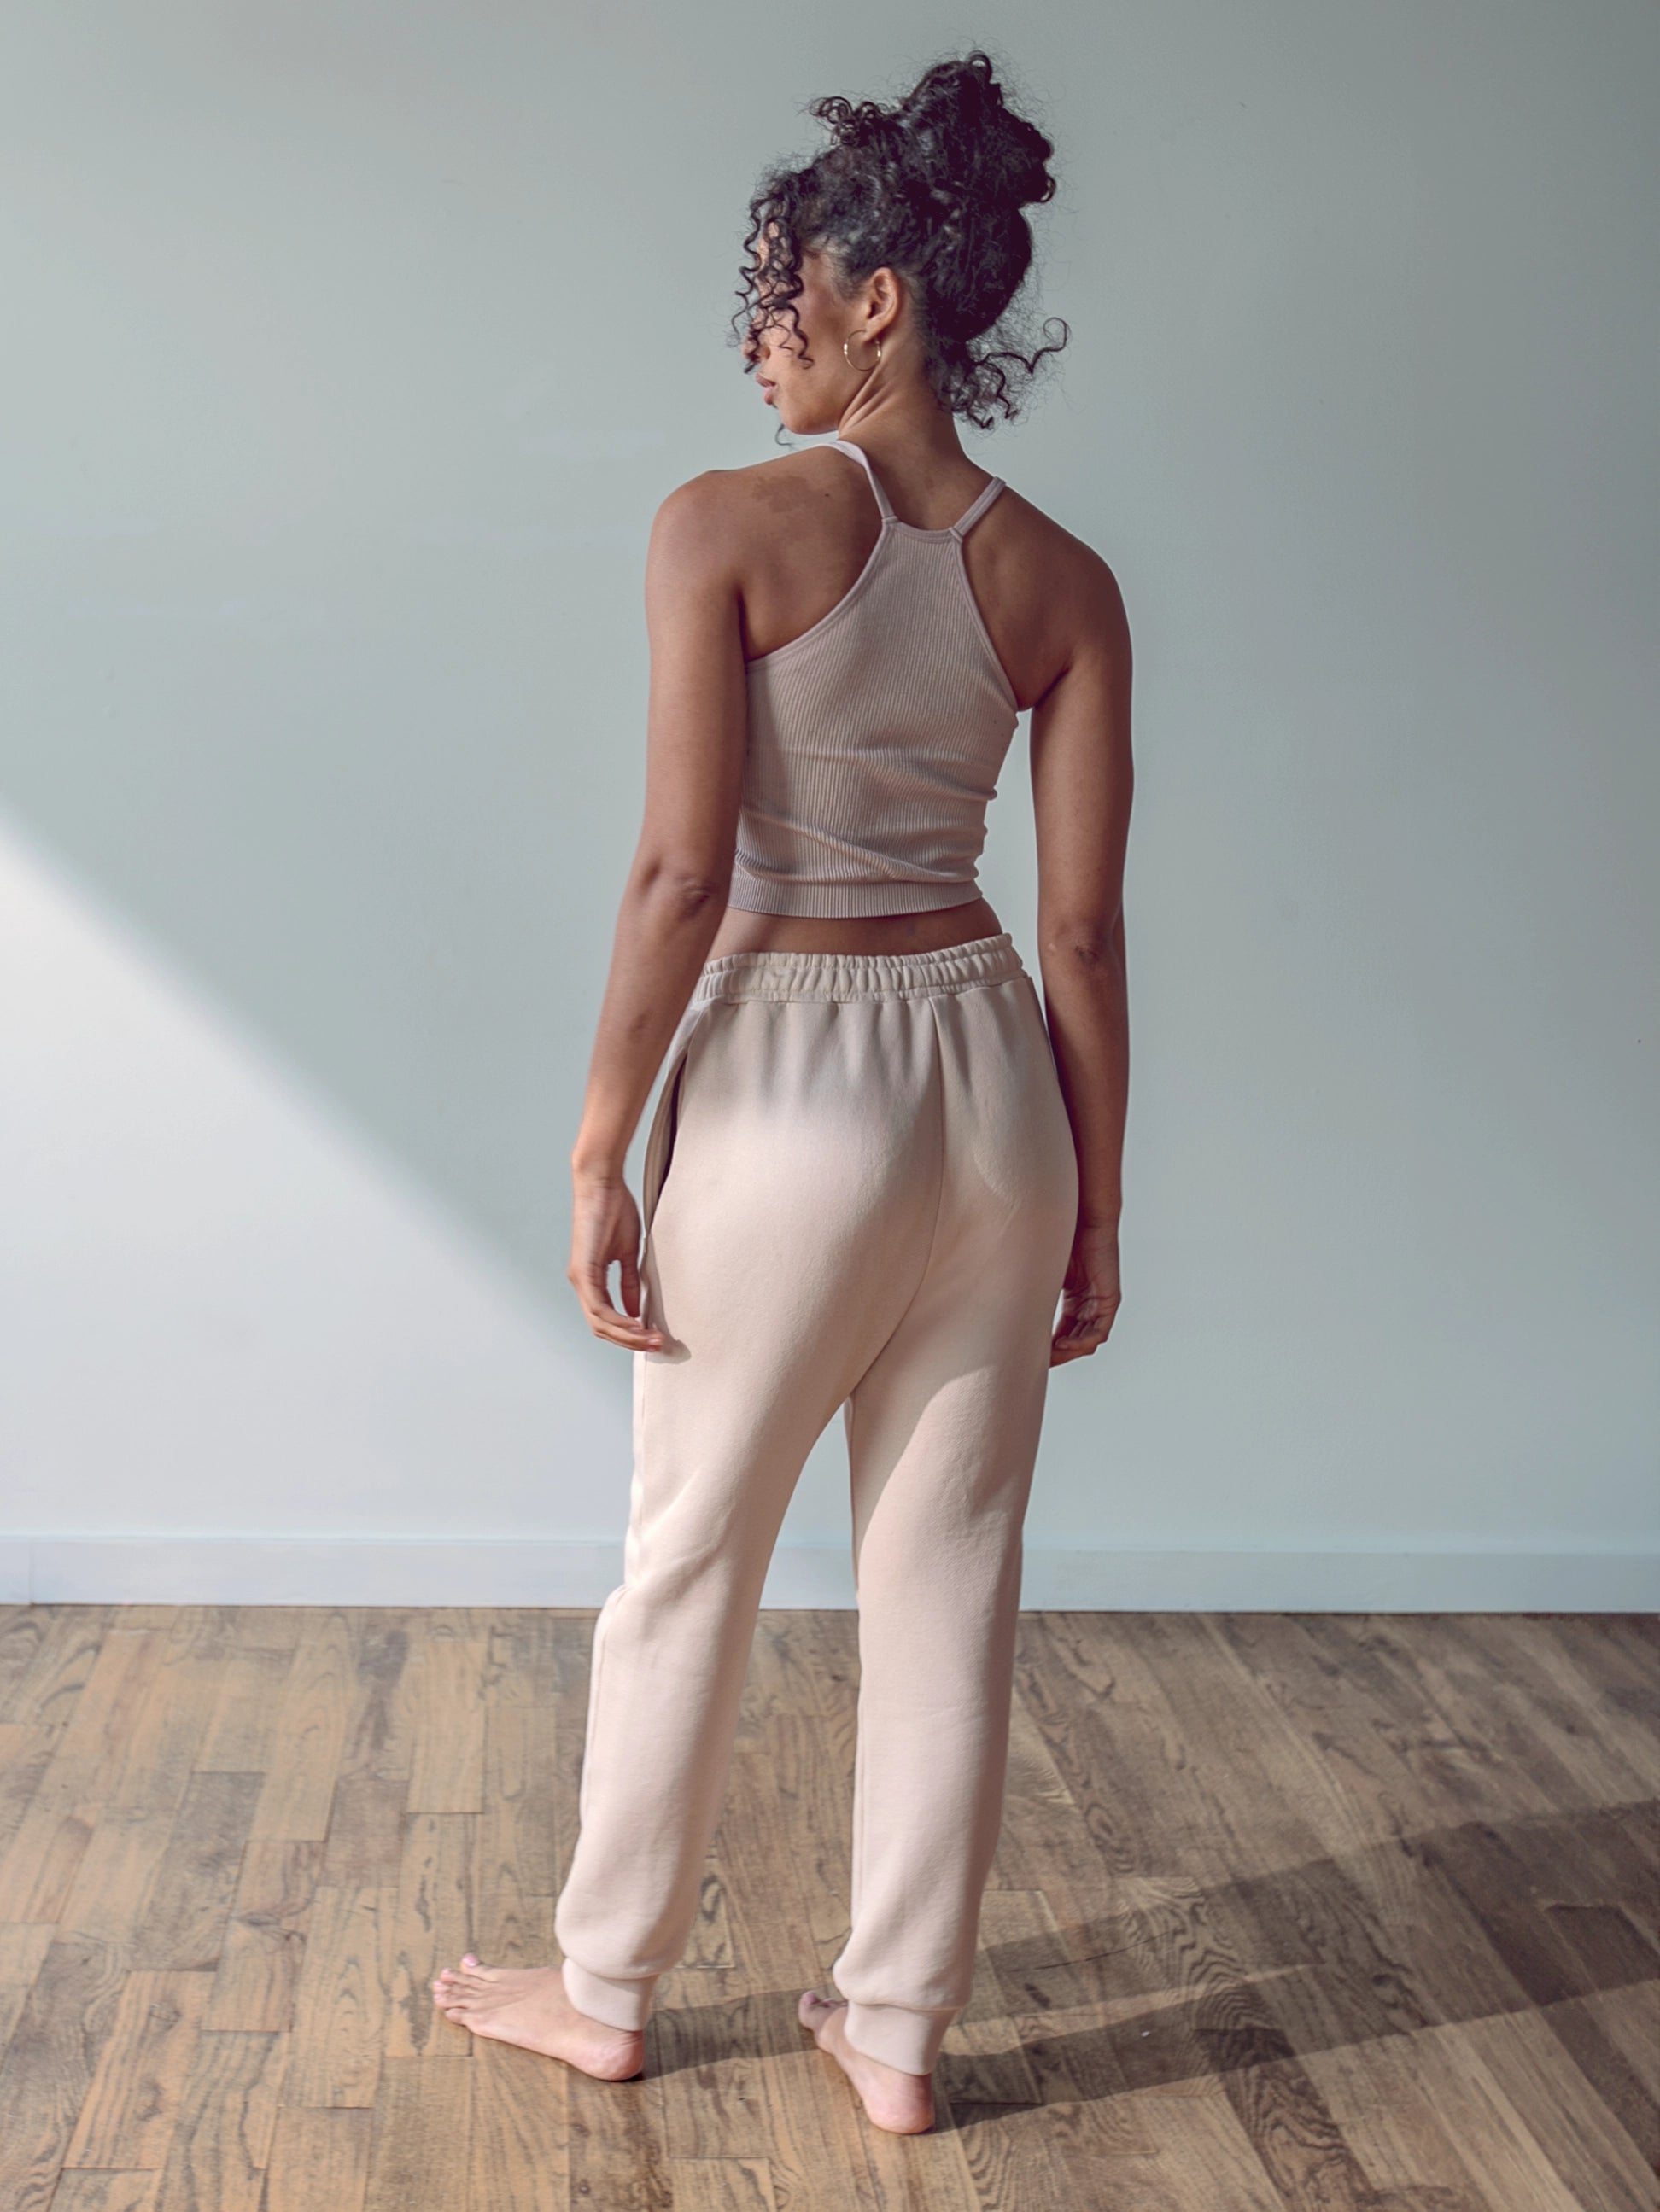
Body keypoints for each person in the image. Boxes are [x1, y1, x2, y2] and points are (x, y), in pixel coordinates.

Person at [434, 49, 1131, 2137]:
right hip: (993, 1083)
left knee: (687, 1555)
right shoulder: (1065, 582)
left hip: (795, 1082)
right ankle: (897, 2036)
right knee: (953, 1570)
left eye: (784, 285)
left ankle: (604, 1984)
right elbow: (1082, 938)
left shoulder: (726, 525)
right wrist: (1096, 1202)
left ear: (883, 299)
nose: (759, 328)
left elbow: (679, 870)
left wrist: (597, 1145)